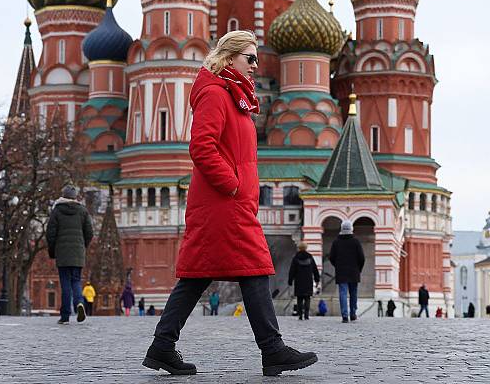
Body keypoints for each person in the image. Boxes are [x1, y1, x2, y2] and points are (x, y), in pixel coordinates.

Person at [142, 31, 318, 377]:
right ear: (229, 58)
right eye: (249, 58)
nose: (255, 65)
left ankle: (162, 346)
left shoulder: (233, 96)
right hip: (223, 202)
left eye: (256, 58)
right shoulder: (215, 94)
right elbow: (202, 146)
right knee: (253, 268)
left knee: (199, 275)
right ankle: (273, 350)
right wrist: (232, 184)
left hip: (231, 202)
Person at [46, 184, 93, 325]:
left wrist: (53, 250)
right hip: (78, 252)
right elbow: (90, 232)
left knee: (65, 283)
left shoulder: (57, 210)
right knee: (76, 281)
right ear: (75, 197)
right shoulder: (82, 210)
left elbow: (50, 233)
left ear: (63, 195)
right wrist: (82, 245)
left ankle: (65, 316)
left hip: (62, 253)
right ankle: (79, 304)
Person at [329, 220, 365, 323]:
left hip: (341, 271)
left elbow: (331, 257)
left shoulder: (336, 242)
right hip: (354, 272)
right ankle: (353, 314)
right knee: (353, 293)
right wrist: (359, 269)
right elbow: (361, 258)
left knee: (343, 293)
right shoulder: (356, 241)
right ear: (351, 229)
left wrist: (337, 266)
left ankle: (345, 315)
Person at [288, 241, 320, 320]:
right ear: (306, 248)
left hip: (299, 281)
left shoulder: (296, 257)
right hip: (308, 281)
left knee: (299, 298)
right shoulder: (310, 257)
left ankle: (300, 315)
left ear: (299, 248)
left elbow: (292, 270)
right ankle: (306, 314)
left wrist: (290, 280)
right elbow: (315, 269)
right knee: (307, 298)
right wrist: (317, 279)